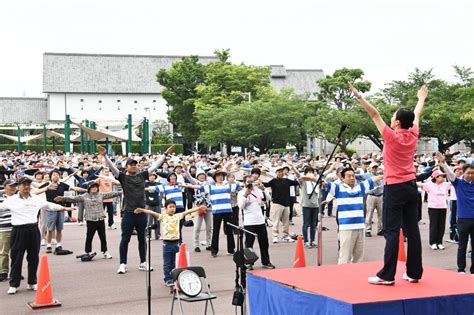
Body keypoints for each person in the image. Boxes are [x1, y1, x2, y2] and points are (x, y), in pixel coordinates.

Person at [350, 82, 428, 284]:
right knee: (413, 230)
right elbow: (416, 115)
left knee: (392, 231)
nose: (390, 118)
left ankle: (387, 275)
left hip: (394, 187)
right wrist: (421, 98)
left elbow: (374, 114)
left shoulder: (391, 137)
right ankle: (414, 273)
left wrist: (359, 96)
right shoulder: (413, 133)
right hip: (411, 186)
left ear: (397, 123)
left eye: (393, 116)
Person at [99, 144, 174, 274]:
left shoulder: (142, 176)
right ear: (126, 167)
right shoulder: (123, 177)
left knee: (142, 238)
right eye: (131, 164)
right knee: (125, 239)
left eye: (135, 164)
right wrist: (105, 155)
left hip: (142, 213)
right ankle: (123, 264)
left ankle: (143, 262)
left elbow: (155, 166)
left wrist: (165, 155)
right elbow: (112, 168)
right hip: (128, 212)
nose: (134, 166)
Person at [0, 177, 73, 295]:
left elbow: (49, 205)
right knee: (16, 258)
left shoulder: (35, 199)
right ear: (18, 187)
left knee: (33, 258)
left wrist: (63, 208)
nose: (26, 187)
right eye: (23, 185)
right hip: (18, 230)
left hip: (33, 230)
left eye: (28, 184)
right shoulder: (11, 200)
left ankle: (32, 282)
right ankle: (14, 284)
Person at [134, 201, 205, 286]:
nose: (172, 209)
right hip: (166, 244)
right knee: (167, 263)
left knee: (175, 262)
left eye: (174, 207)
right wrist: (142, 210)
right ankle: (168, 279)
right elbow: (152, 212)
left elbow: (188, 211)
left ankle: (174, 277)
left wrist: (198, 208)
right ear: (165, 209)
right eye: (170, 207)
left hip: (176, 243)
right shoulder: (162, 217)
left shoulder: (178, 216)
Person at [324, 167, 382, 264]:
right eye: (349, 176)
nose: (352, 178)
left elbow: (372, 179)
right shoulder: (338, 188)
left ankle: (355, 276)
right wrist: (311, 178)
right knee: (345, 256)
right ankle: (342, 276)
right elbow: (325, 183)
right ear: (342, 178)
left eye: (353, 176)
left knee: (359, 256)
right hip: (346, 227)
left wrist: (385, 175)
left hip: (360, 226)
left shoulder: (360, 187)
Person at [55, 182, 122, 259]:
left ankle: (105, 251)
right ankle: (88, 251)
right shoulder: (84, 196)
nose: (94, 188)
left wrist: (122, 191)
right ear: (89, 188)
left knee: (103, 237)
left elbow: (111, 194)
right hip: (90, 220)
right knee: (89, 237)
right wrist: (63, 198)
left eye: (96, 187)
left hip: (100, 219)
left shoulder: (101, 195)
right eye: (92, 187)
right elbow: (73, 199)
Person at [438, 154, 474, 274]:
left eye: (472, 173)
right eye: (468, 173)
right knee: (462, 246)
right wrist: (443, 163)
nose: (470, 175)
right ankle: (461, 269)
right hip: (463, 219)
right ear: (463, 172)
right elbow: (450, 173)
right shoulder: (458, 183)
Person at [238, 175, 275, 270]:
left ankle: (266, 262)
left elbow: (268, 199)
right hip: (249, 222)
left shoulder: (258, 191)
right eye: (248, 182)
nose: (250, 184)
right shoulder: (241, 192)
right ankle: (248, 263)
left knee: (264, 242)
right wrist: (246, 195)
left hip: (260, 220)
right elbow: (241, 206)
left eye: (252, 182)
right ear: (244, 183)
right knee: (249, 243)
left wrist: (264, 189)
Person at [263, 165, 300, 243]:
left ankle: (285, 236)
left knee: (286, 222)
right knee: (275, 221)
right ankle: (275, 236)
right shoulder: (273, 181)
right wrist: (259, 181)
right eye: (279, 172)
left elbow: (297, 182)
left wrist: (297, 172)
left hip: (286, 204)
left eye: (281, 172)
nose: (280, 173)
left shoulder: (287, 180)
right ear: (276, 173)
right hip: (277, 203)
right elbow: (266, 185)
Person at [418, 170, 451, 250]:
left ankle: (439, 242)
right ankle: (433, 242)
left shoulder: (445, 185)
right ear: (436, 177)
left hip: (443, 207)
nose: (443, 178)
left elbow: (454, 181)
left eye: (443, 176)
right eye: (441, 176)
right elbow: (419, 184)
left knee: (441, 225)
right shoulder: (429, 185)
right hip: (433, 207)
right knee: (434, 225)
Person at [0, 179, 18, 282]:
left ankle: (15, 272)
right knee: (3, 251)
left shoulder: (18, 198)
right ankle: (3, 272)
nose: (13, 188)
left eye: (14, 186)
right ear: (5, 187)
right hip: (4, 227)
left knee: (17, 251)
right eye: (10, 186)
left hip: (17, 227)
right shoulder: (1, 197)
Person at [298, 166, 319, 248]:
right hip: (306, 205)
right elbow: (299, 176)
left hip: (315, 206)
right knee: (306, 224)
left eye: (312, 171)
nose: (311, 173)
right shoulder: (303, 182)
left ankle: (313, 240)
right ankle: (306, 241)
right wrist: (292, 166)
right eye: (309, 172)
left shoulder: (315, 181)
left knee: (314, 224)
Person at [365, 163, 384, 237]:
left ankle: (380, 230)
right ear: (370, 168)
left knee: (381, 214)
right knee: (369, 214)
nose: (375, 169)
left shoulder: (379, 175)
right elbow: (358, 177)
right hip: (371, 195)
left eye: (376, 167)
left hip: (380, 195)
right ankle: (368, 230)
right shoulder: (367, 175)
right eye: (373, 167)